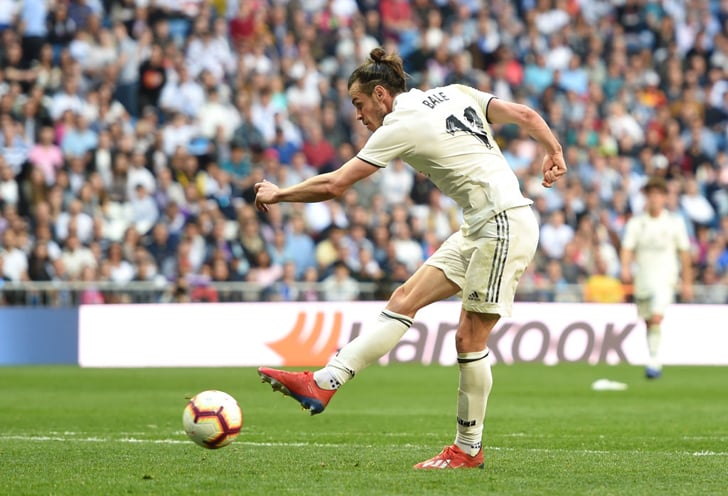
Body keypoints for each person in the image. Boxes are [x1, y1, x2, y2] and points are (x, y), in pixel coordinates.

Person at [254, 48, 566, 470]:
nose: (360, 116)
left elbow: (335, 185)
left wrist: (281, 193)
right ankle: (323, 382)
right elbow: (526, 115)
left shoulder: (400, 124)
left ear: (381, 94)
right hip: (480, 224)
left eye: (359, 104)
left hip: (503, 223)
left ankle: (468, 449)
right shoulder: (455, 92)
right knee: (403, 299)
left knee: (469, 340)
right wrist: (554, 151)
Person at [620, 176, 693, 379]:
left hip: (666, 278)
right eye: (650, 194)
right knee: (648, 320)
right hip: (643, 277)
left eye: (658, 195)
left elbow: (685, 253)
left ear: (664, 198)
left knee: (656, 316)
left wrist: (687, 282)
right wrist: (625, 267)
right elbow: (627, 247)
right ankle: (653, 355)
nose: (654, 198)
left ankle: (653, 361)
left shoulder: (674, 222)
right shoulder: (637, 223)